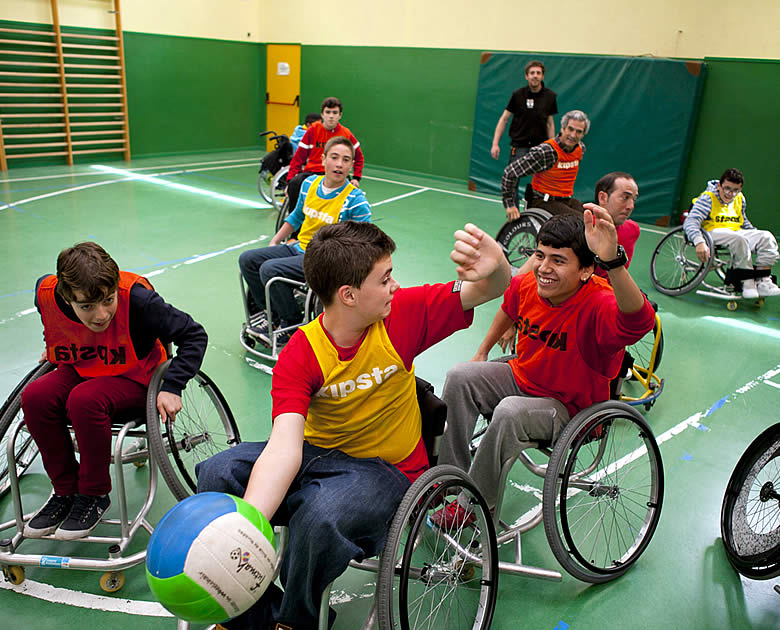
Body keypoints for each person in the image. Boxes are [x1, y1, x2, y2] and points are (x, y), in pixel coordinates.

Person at [197, 220, 511, 630]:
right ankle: (249, 615)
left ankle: (296, 621)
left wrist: (497, 264)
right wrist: (248, 525)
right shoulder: (302, 352)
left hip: (387, 469)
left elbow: (491, 288)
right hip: (315, 456)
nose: (395, 286)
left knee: (320, 513)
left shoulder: (403, 315)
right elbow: (285, 447)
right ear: (348, 294)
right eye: (385, 279)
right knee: (217, 473)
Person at [432, 211, 655, 526]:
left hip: (569, 409)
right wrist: (482, 351)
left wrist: (614, 263)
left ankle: (474, 506)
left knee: (508, 411)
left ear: (586, 270)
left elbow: (640, 321)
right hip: (523, 378)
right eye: (540, 255)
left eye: (558, 260)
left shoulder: (598, 303)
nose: (544, 268)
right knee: (460, 376)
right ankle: (446, 480)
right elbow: (509, 306)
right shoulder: (529, 284)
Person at [21, 242, 207, 540]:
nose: (101, 314)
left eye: (108, 300)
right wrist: (52, 342)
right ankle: (65, 492)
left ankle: (93, 494)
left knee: (84, 400)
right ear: (67, 298)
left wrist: (173, 385)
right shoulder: (47, 293)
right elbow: (50, 316)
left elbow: (194, 335)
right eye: (87, 306)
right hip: (84, 367)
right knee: (34, 396)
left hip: (137, 379)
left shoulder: (138, 300)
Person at [239, 136, 371, 345]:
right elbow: (296, 216)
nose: (339, 164)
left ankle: (290, 323)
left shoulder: (356, 201)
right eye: (334, 157)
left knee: (270, 270)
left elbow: (365, 242)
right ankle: (270, 314)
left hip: (324, 260)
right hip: (299, 248)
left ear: (351, 165)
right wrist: (275, 241)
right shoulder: (309, 184)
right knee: (248, 260)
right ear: (323, 159)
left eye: (346, 160)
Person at [683, 168, 780, 298]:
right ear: (719, 186)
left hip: (736, 231)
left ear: (740, 189)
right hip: (712, 232)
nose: (730, 194)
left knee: (766, 236)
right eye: (727, 188)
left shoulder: (740, 198)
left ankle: (763, 281)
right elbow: (690, 222)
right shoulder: (707, 198)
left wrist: (756, 235)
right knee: (738, 239)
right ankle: (747, 282)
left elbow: (742, 221)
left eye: (735, 190)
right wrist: (699, 242)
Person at [501, 110, 589, 221]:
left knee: (595, 217)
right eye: (570, 129)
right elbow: (509, 173)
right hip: (542, 202)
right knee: (582, 222)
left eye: (578, 132)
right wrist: (510, 205)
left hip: (565, 200)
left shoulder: (580, 149)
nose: (573, 135)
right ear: (563, 128)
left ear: (583, 134)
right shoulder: (546, 151)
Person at [285, 97, 364, 216]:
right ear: (322, 114)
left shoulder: (346, 134)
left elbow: (359, 157)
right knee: (295, 184)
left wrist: (356, 178)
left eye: (335, 113)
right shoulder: (312, 130)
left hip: (337, 173)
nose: (331, 116)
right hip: (313, 173)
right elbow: (298, 159)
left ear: (340, 115)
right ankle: (296, 224)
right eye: (328, 112)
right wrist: (289, 181)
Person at [490, 60, 557, 164]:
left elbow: (550, 124)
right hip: (519, 147)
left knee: (542, 174)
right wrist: (495, 144)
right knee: (513, 173)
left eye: (538, 73)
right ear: (526, 76)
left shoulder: (550, 96)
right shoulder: (518, 95)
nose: (535, 76)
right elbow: (504, 119)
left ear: (542, 76)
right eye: (532, 73)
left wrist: (551, 147)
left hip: (541, 148)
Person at [592, 171, 640, 279]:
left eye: (634, 199)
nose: (631, 206)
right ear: (602, 198)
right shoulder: (584, 229)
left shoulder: (632, 230)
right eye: (625, 197)